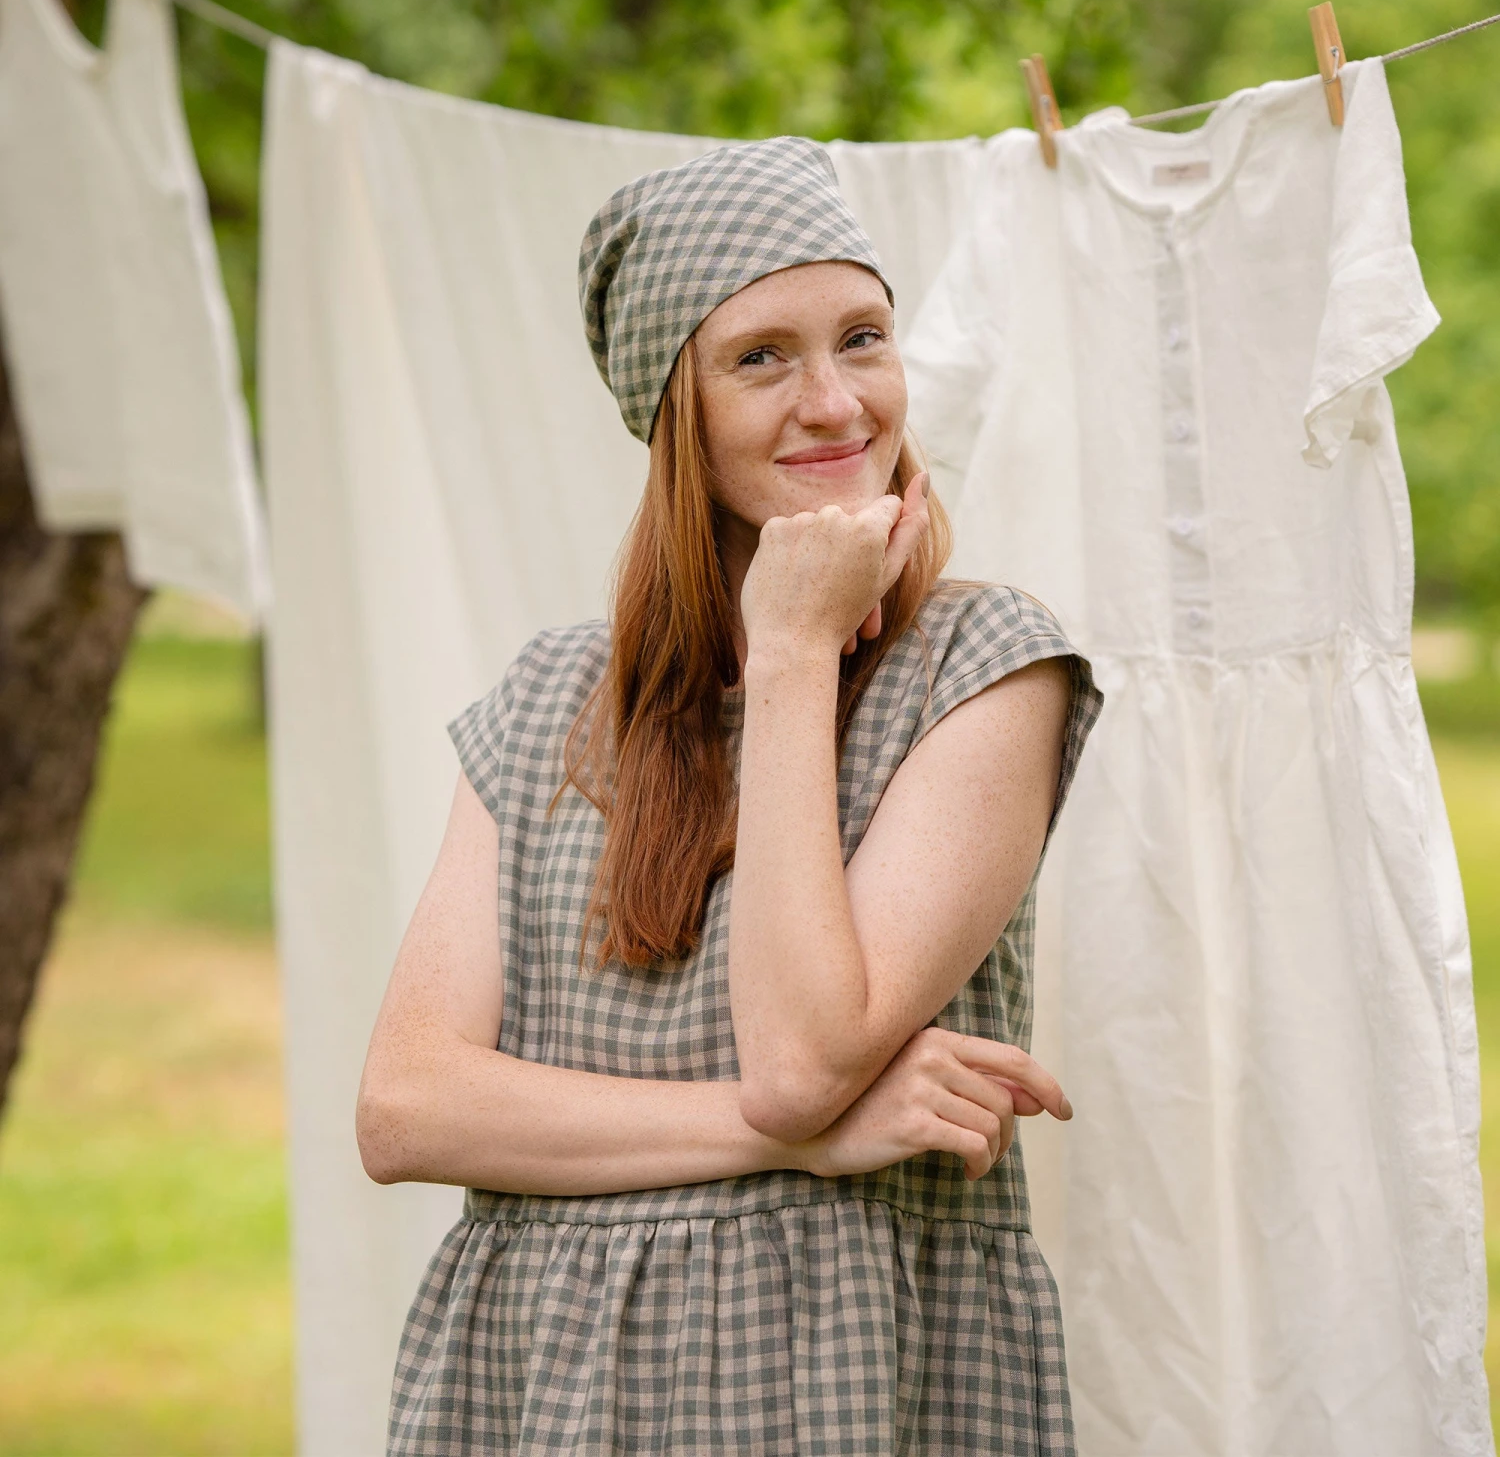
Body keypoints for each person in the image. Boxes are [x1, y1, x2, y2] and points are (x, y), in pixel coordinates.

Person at [357, 135, 1102, 1455]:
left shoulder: (986, 669)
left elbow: (804, 1054)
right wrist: (797, 1142)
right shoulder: (548, 701)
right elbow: (409, 1106)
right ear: (674, 417)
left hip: (851, 1373)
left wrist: (802, 648)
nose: (834, 402)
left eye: (863, 338)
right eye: (761, 356)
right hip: (545, 1380)